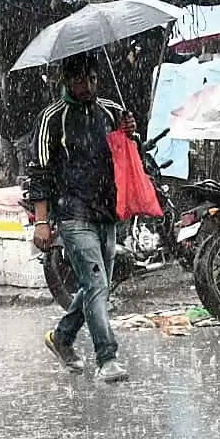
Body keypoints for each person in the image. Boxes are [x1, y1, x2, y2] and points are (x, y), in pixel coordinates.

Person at [26, 52, 136, 383]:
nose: (87, 86)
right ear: (66, 82)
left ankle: (62, 337)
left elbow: (128, 156)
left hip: (106, 211)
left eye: (92, 79)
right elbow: (39, 172)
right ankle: (107, 357)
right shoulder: (51, 119)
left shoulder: (112, 112)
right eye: (79, 80)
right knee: (97, 284)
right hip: (72, 213)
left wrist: (131, 134)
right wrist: (41, 222)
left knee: (95, 286)